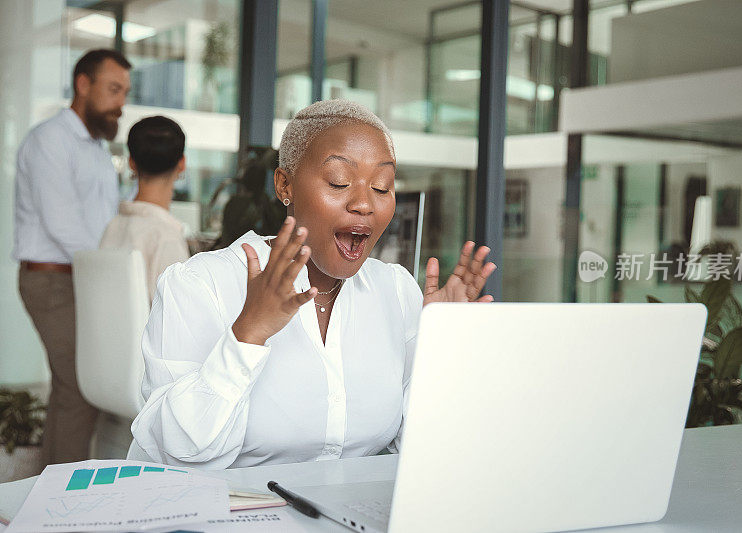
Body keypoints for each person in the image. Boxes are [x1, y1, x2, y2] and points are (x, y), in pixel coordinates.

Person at [130, 100, 496, 469]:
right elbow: (172, 452)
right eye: (340, 182)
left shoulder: (397, 291)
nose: (365, 204)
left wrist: (442, 352)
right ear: (284, 185)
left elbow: (423, 448)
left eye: (382, 187)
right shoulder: (201, 284)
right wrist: (248, 333)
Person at [13, 49, 131, 465]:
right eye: (114, 89)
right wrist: (115, 274)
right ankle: (65, 500)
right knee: (80, 388)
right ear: (84, 84)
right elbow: (64, 225)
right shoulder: (50, 140)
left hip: (83, 277)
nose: (121, 102)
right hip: (54, 281)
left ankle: (53, 492)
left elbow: (105, 219)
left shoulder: (96, 149)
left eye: (125, 92)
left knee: (75, 389)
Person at [100, 116, 190, 301]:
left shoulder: (113, 227)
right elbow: (178, 320)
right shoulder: (166, 238)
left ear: (131, 163)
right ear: (182, 163)